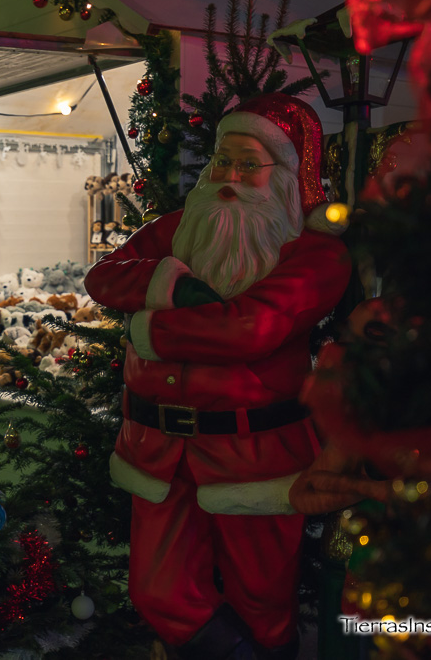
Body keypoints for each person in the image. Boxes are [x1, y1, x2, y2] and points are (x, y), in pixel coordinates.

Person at [84, 93, 351, 660]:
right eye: (222, 160)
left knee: (262, 603)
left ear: (285, 174)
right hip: (155, 450)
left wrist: (149, 332)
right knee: (157, 590)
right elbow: (104, 276)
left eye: (248, 163)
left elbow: (249, 330)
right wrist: (170, 284)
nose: (229, 175)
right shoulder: (182, 228)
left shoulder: (316, 254)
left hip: (252, 453)